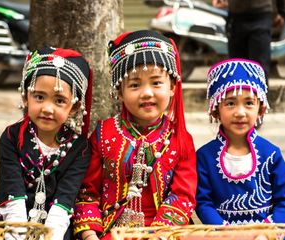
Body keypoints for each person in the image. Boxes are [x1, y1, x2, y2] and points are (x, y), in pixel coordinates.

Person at [73, 30, 198, 240]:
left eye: (156, 82)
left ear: (172, 87)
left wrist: (158, 235)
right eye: (134, 84)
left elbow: (182, 195)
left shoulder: (180, 138)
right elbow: (87, 192)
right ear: (120, 92)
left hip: (166, 233)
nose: (147, 92)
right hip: (112, 232)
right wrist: (89, 235)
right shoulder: (103, 134)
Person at [0, 46, 93, 240]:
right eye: (39, 97)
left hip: (56, 225)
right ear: (25, 96)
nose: (47, 108)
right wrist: (18, 235)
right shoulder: (11, 137)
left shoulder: (79, 147)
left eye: (59, 100)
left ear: (75, 107)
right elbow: (11, 189)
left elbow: (65, 198)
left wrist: (50, 236)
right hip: (13, 222)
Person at [195, 58, 285, 225]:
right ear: (215, 111)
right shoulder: (205, 156)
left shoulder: (271, 154)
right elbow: (203, 202)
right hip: (223, 236)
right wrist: (224, 233)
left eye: (249, 103)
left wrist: (267, 233)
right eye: (230, 103)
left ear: (261, 109)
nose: (240, 112)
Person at [212, 0, 285, 86]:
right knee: (238, 69)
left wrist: (282, 11)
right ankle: (240, 97)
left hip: (260, 15)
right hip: (236, 18)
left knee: (258, 68)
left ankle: (259, 98)